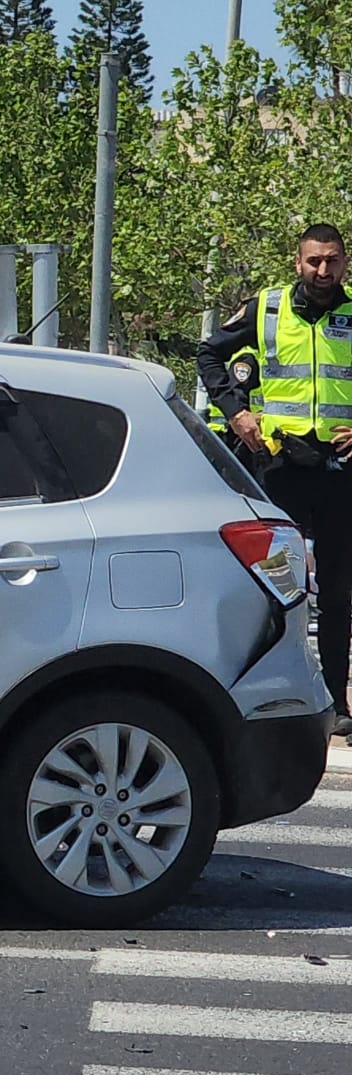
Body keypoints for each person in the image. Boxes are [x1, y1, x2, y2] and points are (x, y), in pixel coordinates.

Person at [199, 222, 352, 735]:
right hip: (281, 466)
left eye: (332, 260)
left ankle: (336, 702)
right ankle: (267, 695)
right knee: (271, 588)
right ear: (298, 262)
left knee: (338, 592)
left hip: (339, 471)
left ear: (345, 263)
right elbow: (209, 354)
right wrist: (237, 412)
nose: (323, 270)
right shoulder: (266, 308)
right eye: (314, 260)